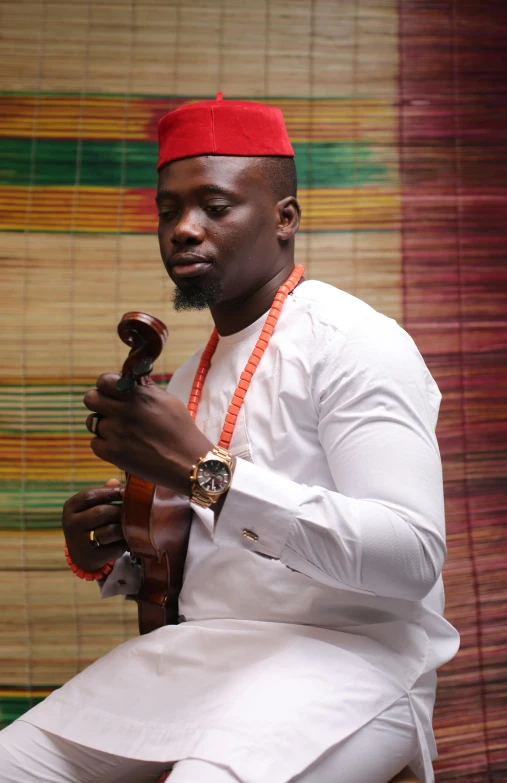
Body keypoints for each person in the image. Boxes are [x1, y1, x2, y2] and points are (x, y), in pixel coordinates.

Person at [0, 94, 459, 783]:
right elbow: (203, 562)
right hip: (198, 662)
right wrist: (112, 548)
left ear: (284, 218)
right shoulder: (188, 374)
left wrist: (202, 470)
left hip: (347, 664)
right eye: (168, 209)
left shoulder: (357, 343)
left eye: (214, 207)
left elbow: (411, 556)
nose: (183, 229)